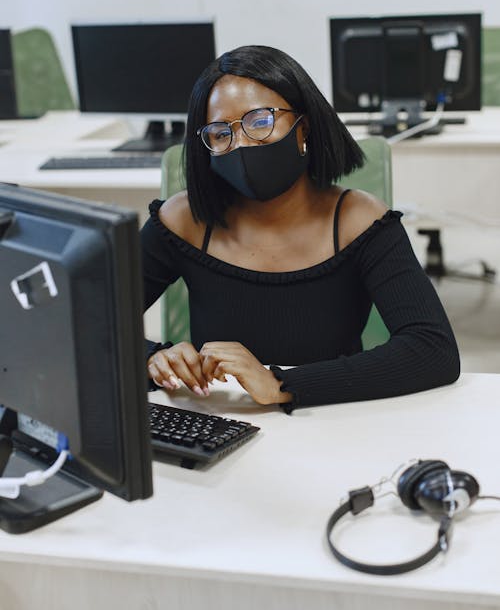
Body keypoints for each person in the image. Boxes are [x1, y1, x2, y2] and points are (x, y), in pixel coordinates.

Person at [141, 45, 460, 413]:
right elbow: (95, 322)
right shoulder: (185, 219)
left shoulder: (358, 220)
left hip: (330, 423)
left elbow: (432, 349)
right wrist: (153, 357)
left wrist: (281, 384)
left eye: (259, 121)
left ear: (303, 126)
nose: (241, 143)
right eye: (220, 132)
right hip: (220, 425)